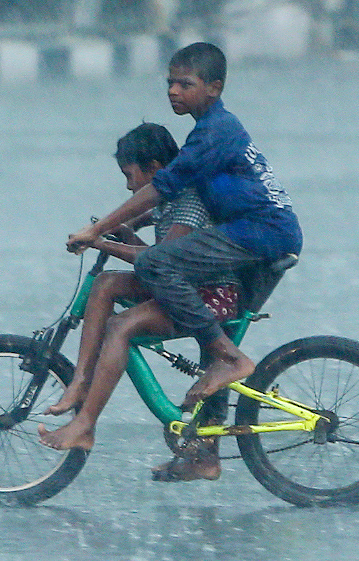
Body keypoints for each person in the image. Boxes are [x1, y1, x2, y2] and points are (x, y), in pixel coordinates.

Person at [46, 42, 302, 474]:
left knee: (153, 264)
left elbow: (165, 188)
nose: (173, 92)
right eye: (170, 83)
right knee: (113, 283)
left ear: (214, 88)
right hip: (249, 232)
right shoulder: (206, 131)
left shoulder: (216, 131)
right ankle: (83, 387)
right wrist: (122, 230)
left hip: (261, 233)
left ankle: (227, 358)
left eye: (186, 84)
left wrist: (98, 231)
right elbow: (170, 196)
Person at [38, 123, 240, 481]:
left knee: (120, 326)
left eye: (131, 176)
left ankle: (85, 424)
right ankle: (82, 380)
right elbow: (157, 259)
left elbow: (161, 260)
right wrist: (121, 232)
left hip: (206, 297)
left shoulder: (188, 203)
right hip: (182, 287)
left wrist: (101, 242)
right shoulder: (168, 200)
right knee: (104, 284)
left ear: (156, 168)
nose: (130, 186)